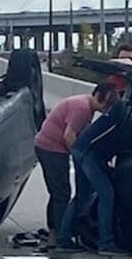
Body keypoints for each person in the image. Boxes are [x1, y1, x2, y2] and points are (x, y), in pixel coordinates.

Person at [33, 83, 115, 248]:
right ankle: (62, 239)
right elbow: (69, 136)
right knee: (62, 194)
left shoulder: (85, 105)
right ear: (98, 95)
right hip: (52, 149)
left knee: (57, 193)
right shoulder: (82, 108)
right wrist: (78, 158)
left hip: (47, 146)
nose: (106, 108)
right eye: (106, 103)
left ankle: (55, 235)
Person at [57, 83, 127, 255]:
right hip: (88, 153)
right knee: (106, 194)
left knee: (82, 195)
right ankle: (106, 243)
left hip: (82, 150)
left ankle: (64, 238)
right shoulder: (121, 111)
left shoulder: (116, 110)